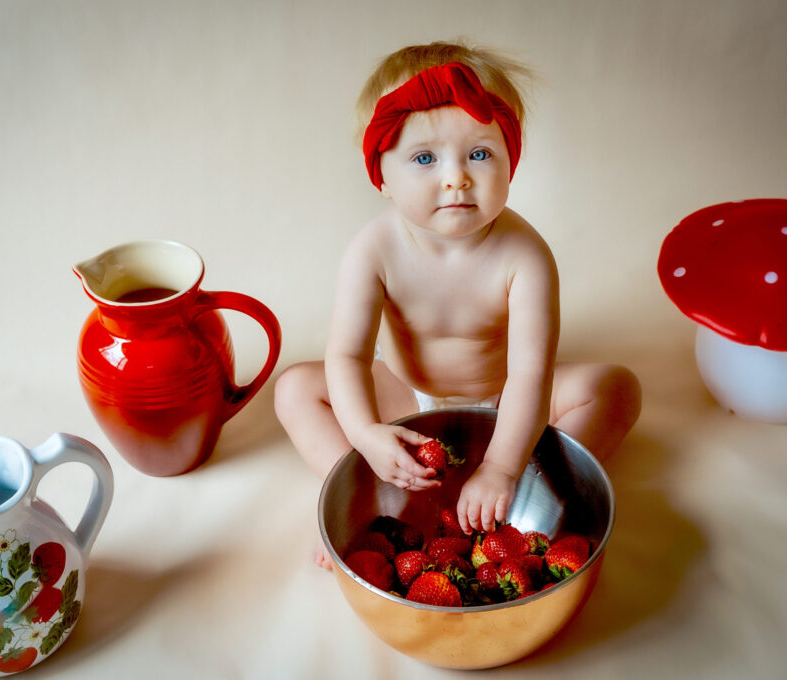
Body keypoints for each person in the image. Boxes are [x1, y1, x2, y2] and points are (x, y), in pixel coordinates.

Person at [274, 41, 641, 568]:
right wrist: (367, 434)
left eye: (480, 154)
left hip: (504, 401)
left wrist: (502, 466)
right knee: (294, 390)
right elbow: (348, 358)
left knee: (616, 389)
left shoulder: (525, 256)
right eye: (425, 158)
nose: (456, 177)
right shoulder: (373, 250)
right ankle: (367, 494)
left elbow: (530, 375)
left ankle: (531, 482)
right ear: (381, 175)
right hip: (405, 398)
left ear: (511, 160)